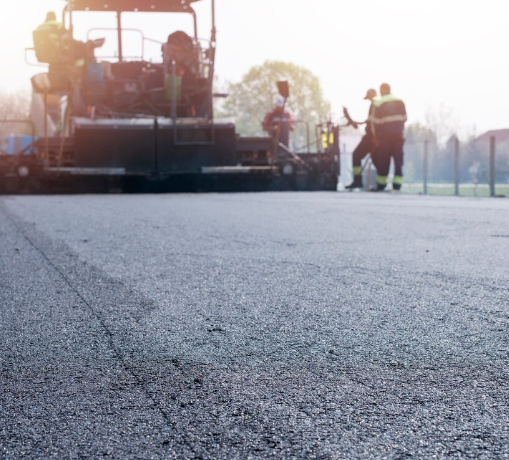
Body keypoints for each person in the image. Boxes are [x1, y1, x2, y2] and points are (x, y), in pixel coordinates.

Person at [372, 83, 407, 191]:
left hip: (385, 137)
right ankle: (397, 185)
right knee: (398, 160)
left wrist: (375, 137)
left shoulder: (378, 103)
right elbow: (405, 118)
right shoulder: (400, 100)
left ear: (382, 90)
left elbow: (375, 123)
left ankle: (381, 184)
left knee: (383, 160)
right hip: (398, 136)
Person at [345, 89, 378, 190]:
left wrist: (374, 136)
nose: (368, 100)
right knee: (376, 159)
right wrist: (357, 123)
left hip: (371, 137)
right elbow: (369, 121)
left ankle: (358, 180)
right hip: (374, 136)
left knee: (357, 155)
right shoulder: (375, 105)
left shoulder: (375, 104)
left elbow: (373, 123)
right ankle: (379, 183)